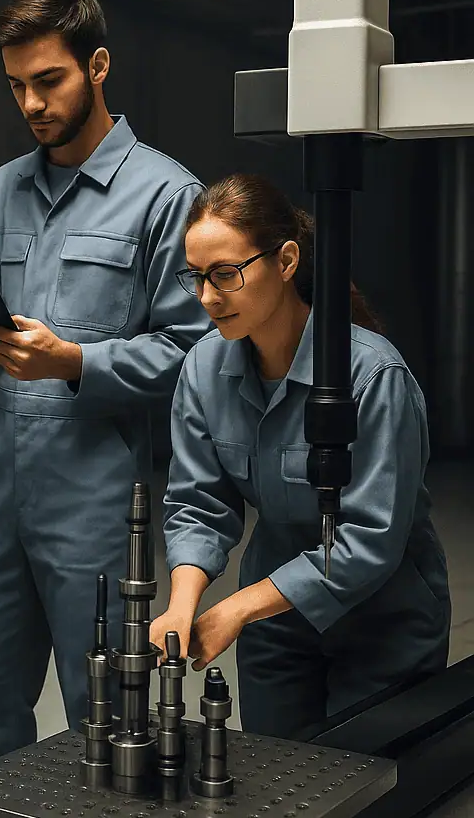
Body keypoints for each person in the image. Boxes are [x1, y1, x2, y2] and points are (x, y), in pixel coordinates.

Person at [0, 0, 211, 770]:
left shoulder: (165, 195)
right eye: (16, 86)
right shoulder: (2, 189)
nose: (31, 102)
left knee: (101, 707)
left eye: (49, 80)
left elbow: (195, 353)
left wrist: (76, 361)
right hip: (1, 485)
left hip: (101, 493)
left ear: (97, 66)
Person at [154, 173, 450, 740]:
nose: (207, 298)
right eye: (196, 278)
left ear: (286, 261)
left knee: (363, 797)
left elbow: (369, 539)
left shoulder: (372, 375)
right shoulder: (203, 368)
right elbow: (198, 502)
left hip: (384, 620)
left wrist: (237, 608)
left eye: (225, 274)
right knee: (274, 783)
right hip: (277, 623)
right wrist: (182, 604)